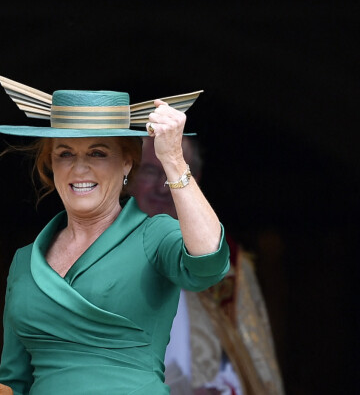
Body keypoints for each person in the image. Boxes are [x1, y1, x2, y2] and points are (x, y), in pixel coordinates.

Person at [0, 75, 230, 395]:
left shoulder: (153, 235)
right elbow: (13, 379)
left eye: (97, 153)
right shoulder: (24, 261)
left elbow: (209, 263)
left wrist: (173, 160)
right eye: (65, 153)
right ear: (50, 164)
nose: (79, 169)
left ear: (126, 163)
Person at [131, 135, 285, 395]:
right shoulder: (95, 253)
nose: (163, 186)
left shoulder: (227, 263)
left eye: (174, 172)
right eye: (150, 171)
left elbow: (251, 367)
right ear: (128, 175)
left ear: (195, 180)